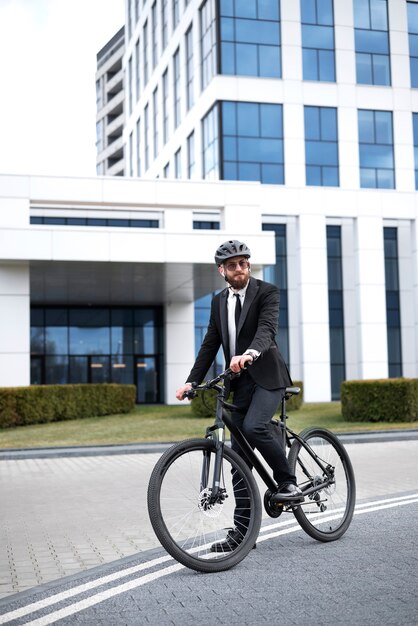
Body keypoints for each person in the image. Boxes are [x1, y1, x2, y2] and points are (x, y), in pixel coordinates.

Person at [176, 239, 302, 552]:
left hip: (267, 375)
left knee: (253, 427)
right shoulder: (219, 302)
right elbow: (210, 343)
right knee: (239, 460)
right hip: (240, 383)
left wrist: (249, 352)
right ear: (222, 270)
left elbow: (267, 329)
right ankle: (243, 533)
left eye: (244, 263)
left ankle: (287, 480)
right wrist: (192, 382)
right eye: (233, 265)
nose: (240, 269)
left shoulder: (267, 292)